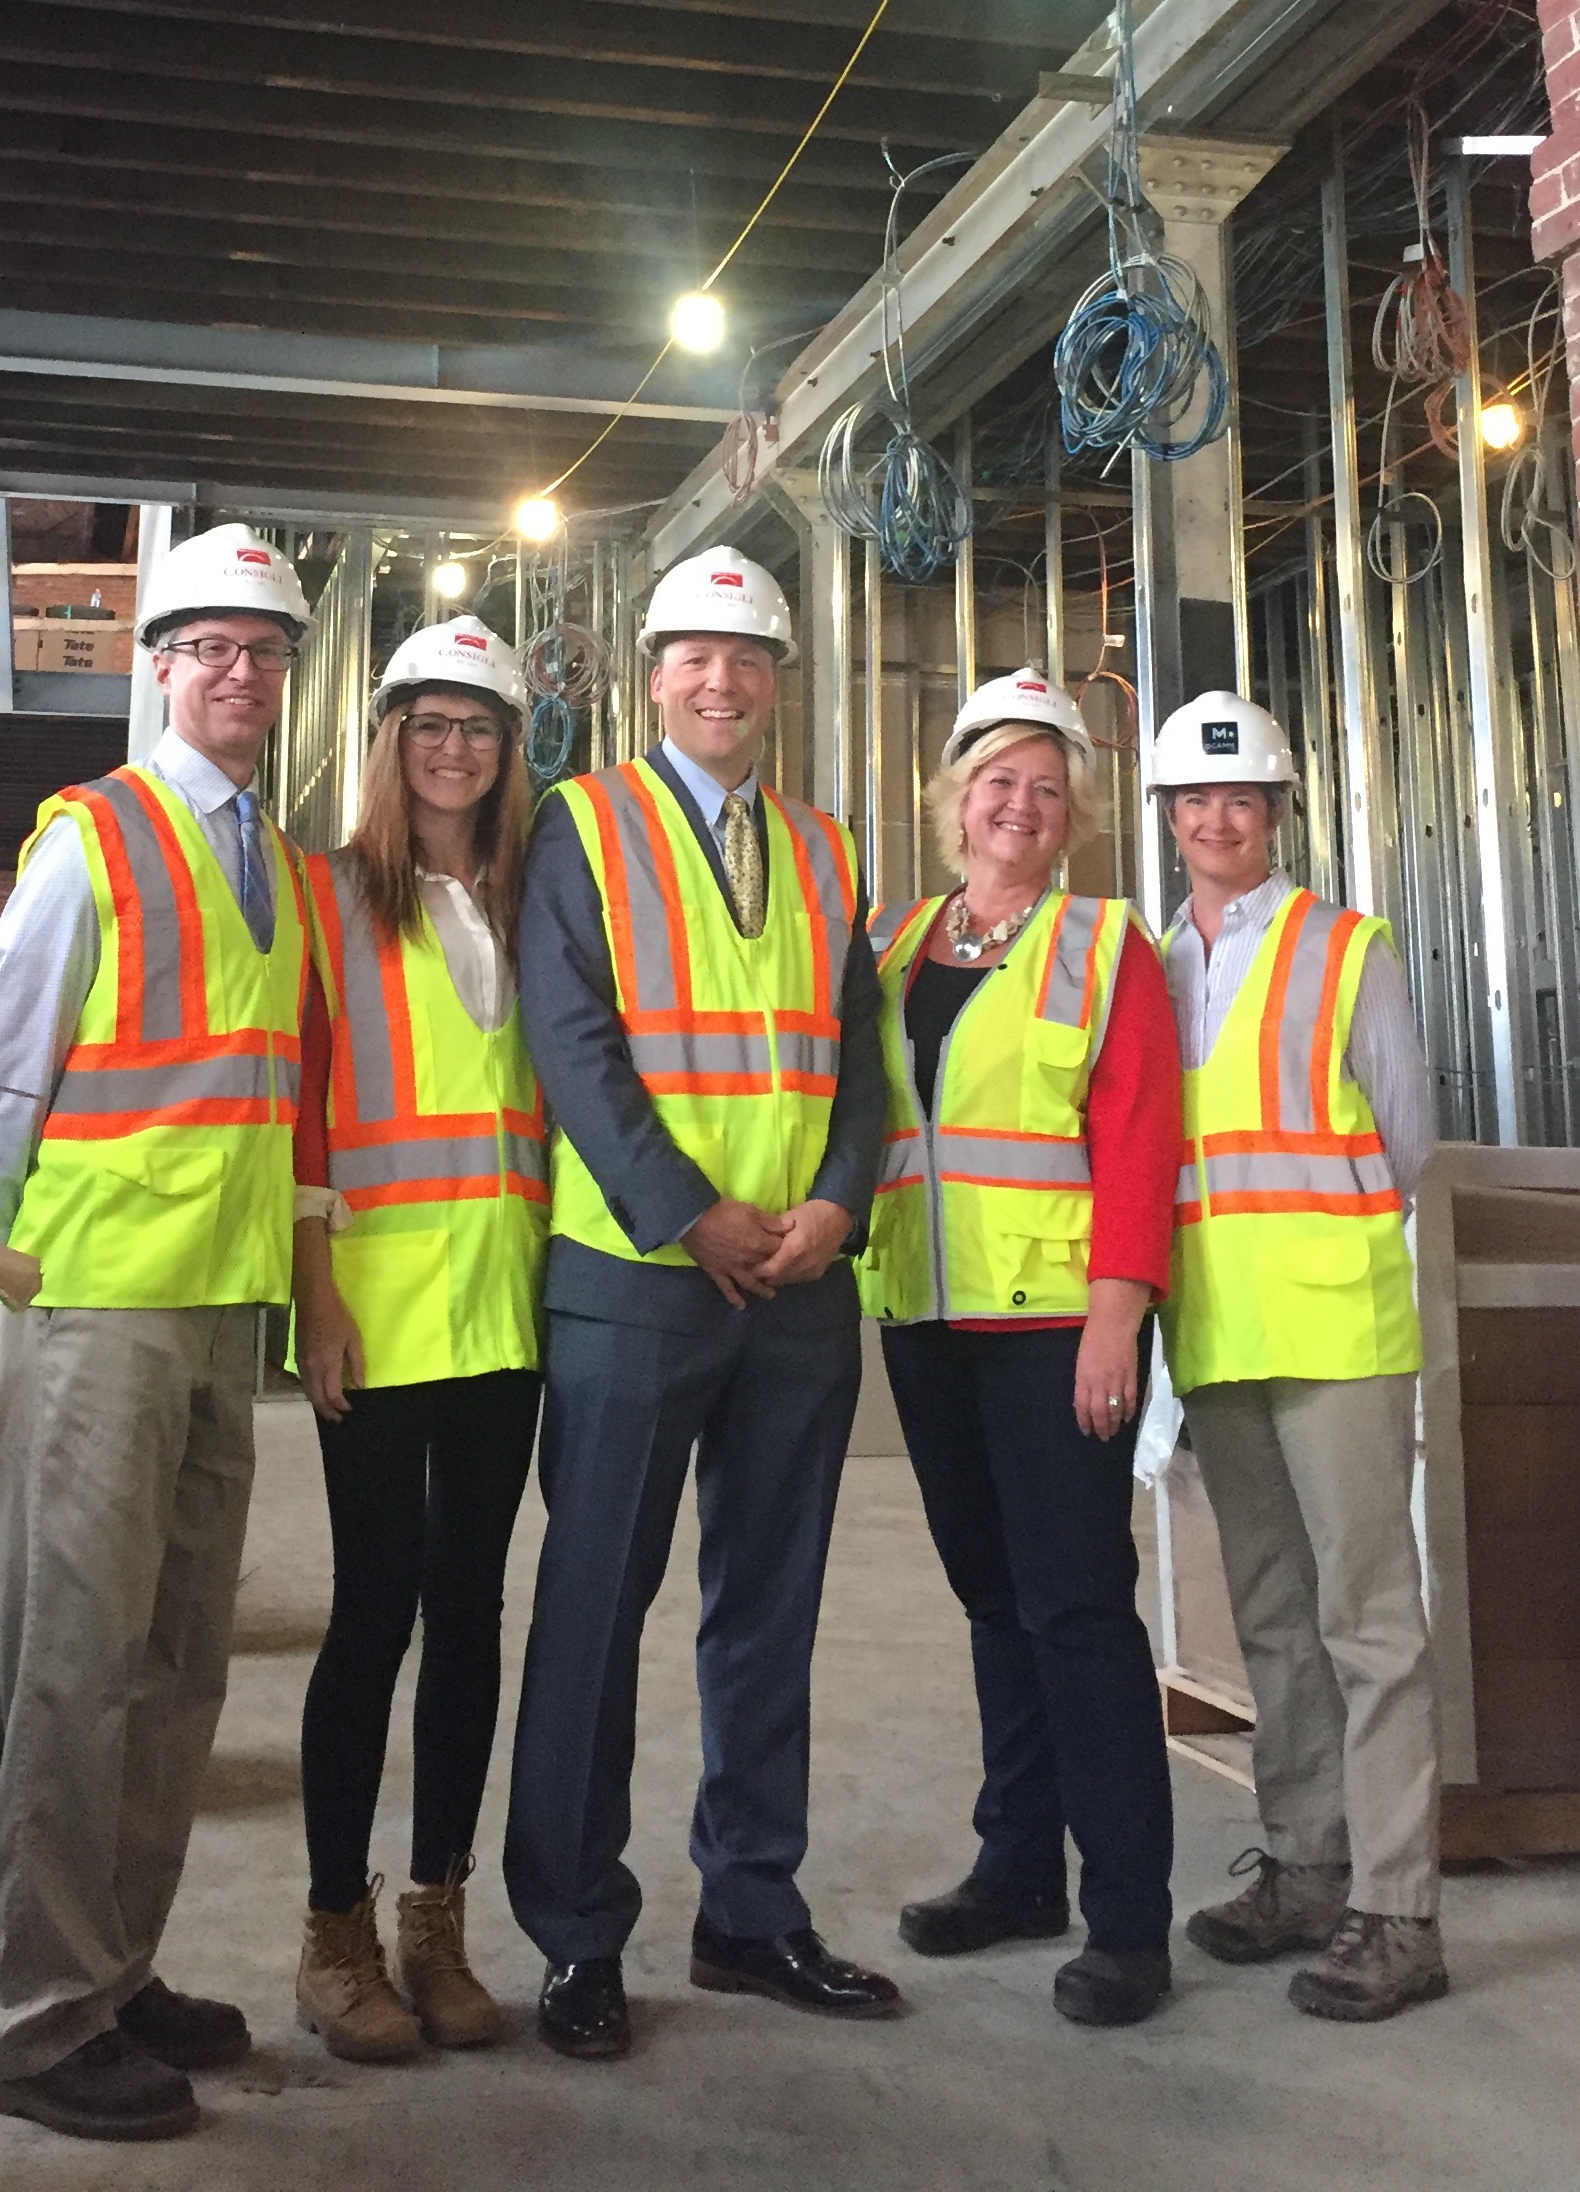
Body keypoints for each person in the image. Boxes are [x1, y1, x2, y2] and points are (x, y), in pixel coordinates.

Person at [503, 543, 900, 2058]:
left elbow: (858, 1051)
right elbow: (572, 1037)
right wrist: (690, 1215)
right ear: (650, 674)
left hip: (795, 1288)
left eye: (748, 660)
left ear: (778, 685)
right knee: (597, 1610)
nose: (720, 681)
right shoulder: (582, 825)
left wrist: (842, 1200)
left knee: (770, 1612)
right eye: (693, 657)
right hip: (636, 1280)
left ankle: (751, 1910)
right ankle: (576, 1932)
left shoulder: (824, 846)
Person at [0, 523, 317, 2141]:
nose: (238, 672)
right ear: (160, 668)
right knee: (72, 1670)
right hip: (96, 1305)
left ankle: (114, 1974)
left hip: (220, 1310)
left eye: (264, 650)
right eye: (209, 648)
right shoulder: (93, 839)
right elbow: (2, 1079)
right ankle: (35, 2025)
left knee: (174, 1670)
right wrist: (13, 1273)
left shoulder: (281, 866)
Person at [858, 669, 1184, 2028]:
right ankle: (1016, 1865)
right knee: (994, 1601)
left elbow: (1140, 1135)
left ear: (1075, 821)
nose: (1022, 805)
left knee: (1078, 1610)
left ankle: (1127, 1919)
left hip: (1054, 1328)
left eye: (1049, 791)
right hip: (927, 1318)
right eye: (999, 780)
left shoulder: (1108, 949)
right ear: (953, 798)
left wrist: (1120, 1315)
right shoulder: (897, 944)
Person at [1151, 691, 1448, 2022]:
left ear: (1275, 814)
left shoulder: (1346, 948)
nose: (1219, 819)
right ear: (1168, 821)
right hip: (1217, 1332)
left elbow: (1406, 1137)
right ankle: (1311, 1869)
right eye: (1195, 802)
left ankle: (1399, 1908)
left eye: (1242, 800)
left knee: (1368, 1623)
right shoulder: (1152, 966)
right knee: (1272, 1618)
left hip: (1333, 1325)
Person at [289, 617, 547, 2063]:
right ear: (390, 742)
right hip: (376, 1307)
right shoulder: (333, 896)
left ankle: (435, 1922)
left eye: (481, 729)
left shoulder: (529, 898)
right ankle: (334, 1931)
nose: (455, 751)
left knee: (471, 1612)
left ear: (509, 754)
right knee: (373, 1609)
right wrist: (312, 1290)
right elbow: (312, 1100)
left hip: (504, 1302)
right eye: (429, 726)